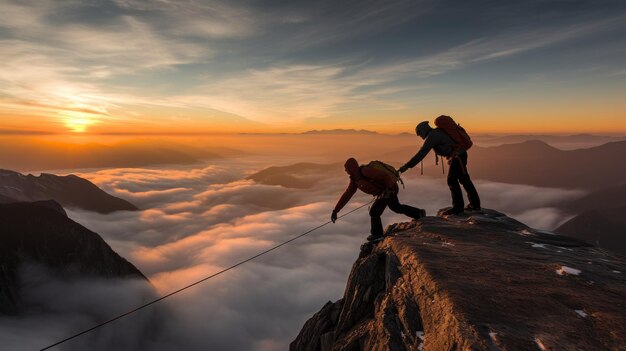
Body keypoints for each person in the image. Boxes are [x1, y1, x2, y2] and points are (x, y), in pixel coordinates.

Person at [398, 119, 481, 216]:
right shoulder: (436, 133)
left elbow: (422, 152)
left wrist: (407, 166)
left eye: (419, 134)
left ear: (423, 130)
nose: (420, 136)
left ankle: (458, 208)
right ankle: (474, 204)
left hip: (457, 157)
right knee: (464, 179)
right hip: (459, 156)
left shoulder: (432, 136)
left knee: (452, 180)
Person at [331, 157, 426, 241]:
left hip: (389, 189)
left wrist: (388, 190)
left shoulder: (365, 171)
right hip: (384, 192)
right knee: (396, 207)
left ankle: (377, 235)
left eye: (346, 168)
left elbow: (385, 176)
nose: (345, 170)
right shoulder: (354, 180)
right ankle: (419, 213)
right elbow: (347, 194)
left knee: (374, 211)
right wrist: (336, 210)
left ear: (351, 168)